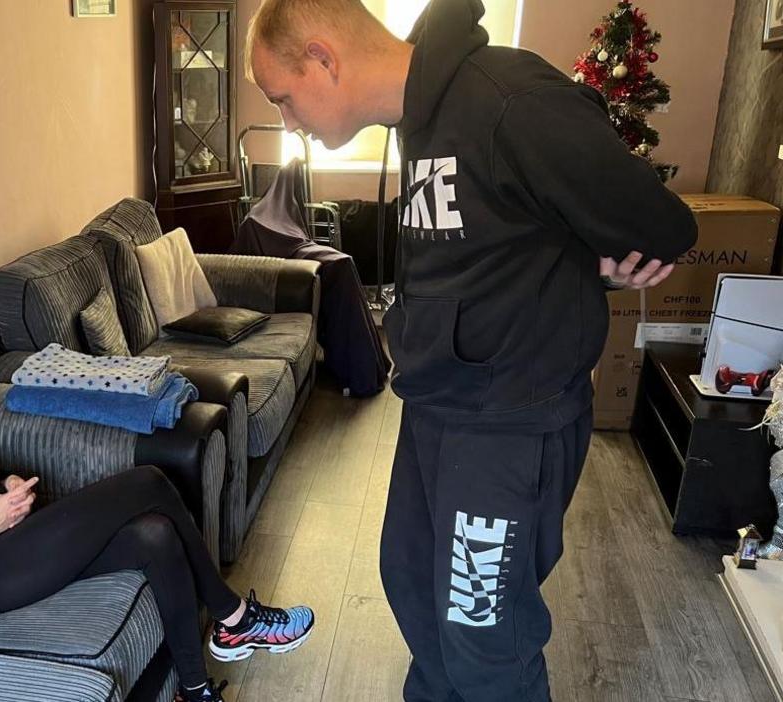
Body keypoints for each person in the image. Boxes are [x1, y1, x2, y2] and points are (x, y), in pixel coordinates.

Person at [245, 1, 696, 700]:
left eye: (284, 99)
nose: (289, 122)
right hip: (439, 406)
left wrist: (592, 254)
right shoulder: (417, 118)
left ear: (323, 59)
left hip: (508, 422)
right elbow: (500, 227)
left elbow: (661, 224)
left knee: (483, 633)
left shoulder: (506, 98)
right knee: (413, 583)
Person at [0, 307, 316, 702]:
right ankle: (234, 619)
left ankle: (194, 689)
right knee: (149, 480)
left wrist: (6, 487)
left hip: (7, 537)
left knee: (155, 532)